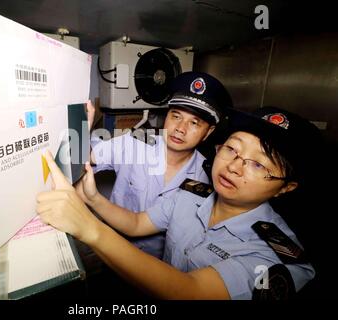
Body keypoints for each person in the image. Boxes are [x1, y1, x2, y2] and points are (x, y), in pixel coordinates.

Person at [36, 106, 319, 299]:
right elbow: (136, 224)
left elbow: (186, 291)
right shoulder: (192, 194)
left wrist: (88, 227)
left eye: (258, 164)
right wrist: (93, 199)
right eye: (232, 149)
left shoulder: (278, 259)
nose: (234, 166)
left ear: (287, 187)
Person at [88, 71, 233, 258]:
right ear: (167, 117)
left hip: (159, 267)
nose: (180, 129)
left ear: (208, 132)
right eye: (176, 116)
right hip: (112, 251)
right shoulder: (135, 143)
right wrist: (83, 124)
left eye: (194, 123)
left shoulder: (208, 177)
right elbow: (87, 157)